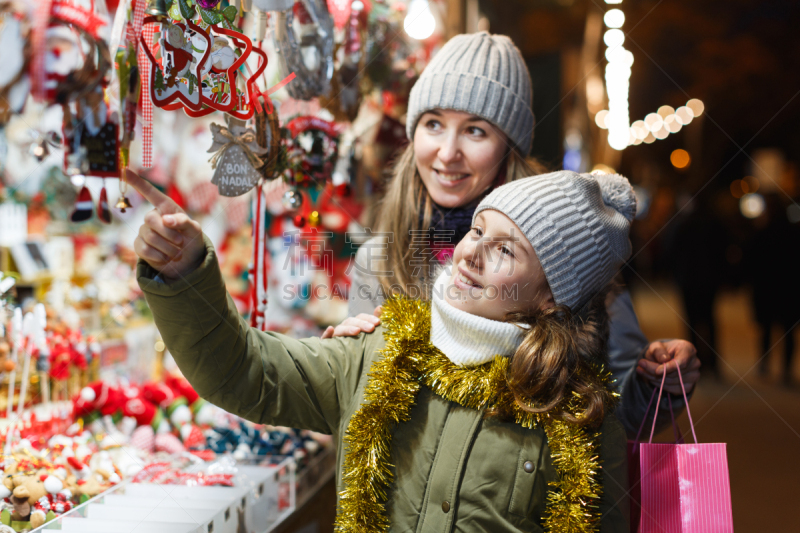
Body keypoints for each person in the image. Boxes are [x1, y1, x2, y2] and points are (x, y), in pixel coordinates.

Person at [130, 168, 632, 532]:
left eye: (506, 250)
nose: (471, 252)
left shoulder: (577, 413)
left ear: (550, 297)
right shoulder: (380, 350)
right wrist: (186, 274)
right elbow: (243, 371)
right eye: (479, 230)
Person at [323, 31, 700, 436]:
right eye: (433, 124)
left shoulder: (566, 254)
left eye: (475, 131)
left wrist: (656, 382)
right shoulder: (380, 259)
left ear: (509, 147)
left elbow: (620, 417)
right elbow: (360, 419)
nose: (448, 152)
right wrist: (345, 363)